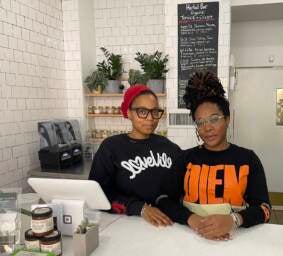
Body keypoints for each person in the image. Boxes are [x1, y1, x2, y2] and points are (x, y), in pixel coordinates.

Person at [157, 71, 271, 240]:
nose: (207, 128)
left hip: (236, 240)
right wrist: (191, 219)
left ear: (227, 119)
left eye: (214, 119)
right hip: (191, 238)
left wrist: (234, 220)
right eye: (200, 122)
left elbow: (264, 209)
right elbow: (163, 199)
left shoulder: (247, 159)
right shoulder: (185, 159)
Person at [89, 84, 179, 227]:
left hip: (165, 224)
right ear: (128, 113)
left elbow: (181, 186)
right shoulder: (111, 147)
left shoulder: (168, 147)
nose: (150, 118)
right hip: (124, 224)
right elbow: (97, 195)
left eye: (155, 112)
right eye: (142, 111)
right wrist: (140, 208)